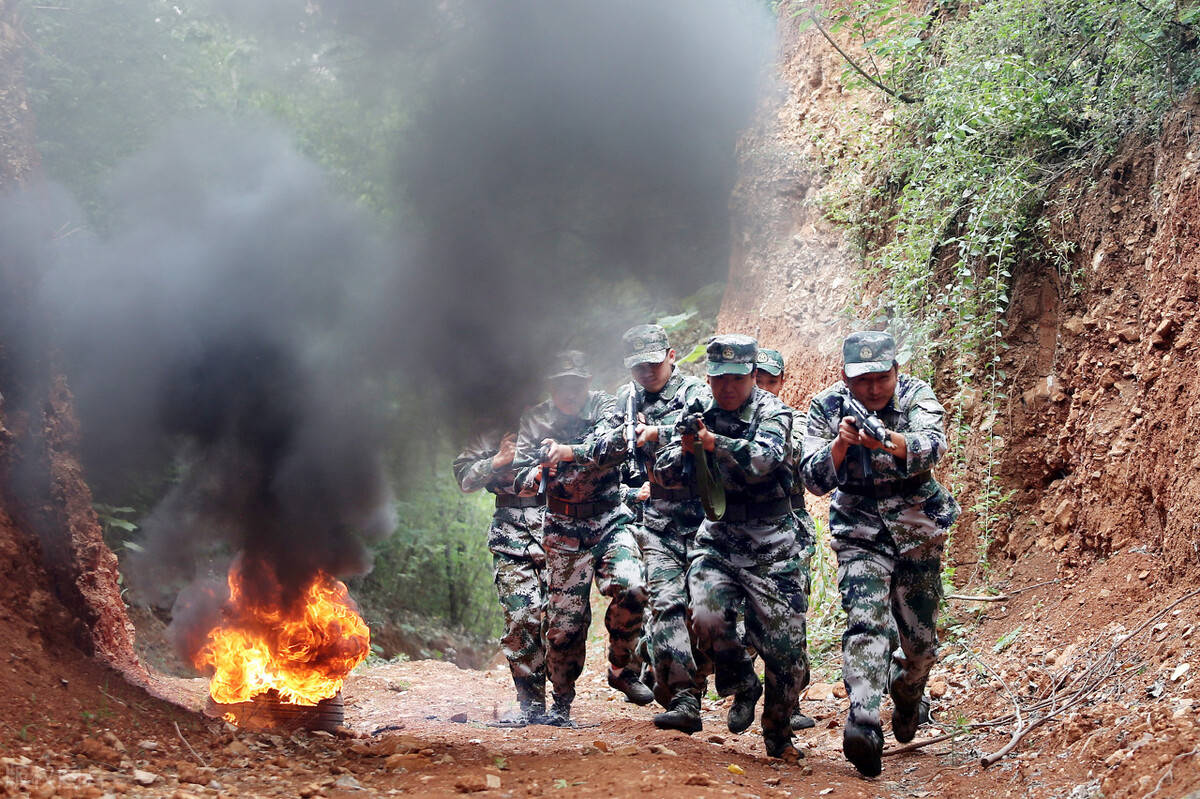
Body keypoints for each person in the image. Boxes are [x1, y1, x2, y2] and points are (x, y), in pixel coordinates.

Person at [799, 330, 959, 778]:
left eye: (881, 377)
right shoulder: (826, 406)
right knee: (866, 621)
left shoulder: (915, 394)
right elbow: (812, 478)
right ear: (845, 377)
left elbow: (934, 445)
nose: (872, 388)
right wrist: (841, 444)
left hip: (917, 529)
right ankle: (864, 721)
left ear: (896, 370)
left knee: (920, 646)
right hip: (859, 530)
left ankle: (908, 695)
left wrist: (887, 440)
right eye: (862, 379)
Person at [655, 334, 810, 761]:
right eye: (719, 378)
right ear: (709, 376)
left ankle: (778, 732)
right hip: (718, 538)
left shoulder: (772, 410)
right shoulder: (695, 411)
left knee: (785, 647)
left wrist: (714, 445)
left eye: (737, 378)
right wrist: (686, 451)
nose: (727, 388)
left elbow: (766, 458)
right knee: (703, 614)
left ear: (751, 376)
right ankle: (741, 681)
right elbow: (664, 472)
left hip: (772, 542)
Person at [512, 350, 651, 727]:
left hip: (608, 519)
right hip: (562, 528)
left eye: (575, 384)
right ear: (551, 386)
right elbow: (516, 478)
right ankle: (561, 703)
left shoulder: (608, 406)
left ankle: (623, 668)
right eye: (561, 385)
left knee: (633, 586)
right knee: (564, 626)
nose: (568, 392)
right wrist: (541, 471)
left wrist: (569, 452)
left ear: (587, 383)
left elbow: (617, 445)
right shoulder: (535, 418)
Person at [615, 324, 708, 733]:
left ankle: (701, 680)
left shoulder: (694, 392)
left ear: (671, 355)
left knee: (704, 613)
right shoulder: (625, 399)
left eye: (653, 363)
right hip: (655, 522)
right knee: (666, 604)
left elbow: (710, 430)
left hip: (706, 520)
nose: (647, 372)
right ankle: (685, 699)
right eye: (638, 366)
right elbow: (611, 450)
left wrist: (660, 433)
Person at [453, 428, 547, 726]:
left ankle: (562, 703)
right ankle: (531, 705)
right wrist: (497, 460)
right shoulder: (489, 431)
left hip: (562, 528)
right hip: (510, 535)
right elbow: (464, 479)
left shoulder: (558, 415)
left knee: (564, 622)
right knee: (521, 617)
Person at [753, 348, 817, 733]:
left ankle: (788, 703)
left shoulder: (799, 422)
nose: (763, 387)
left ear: (782, 382)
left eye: (770, 381)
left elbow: (801, 461)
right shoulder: (728, 421)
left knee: (792, 612)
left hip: (789, 523)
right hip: (741, 529)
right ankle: (747, 686)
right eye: (756, 379)